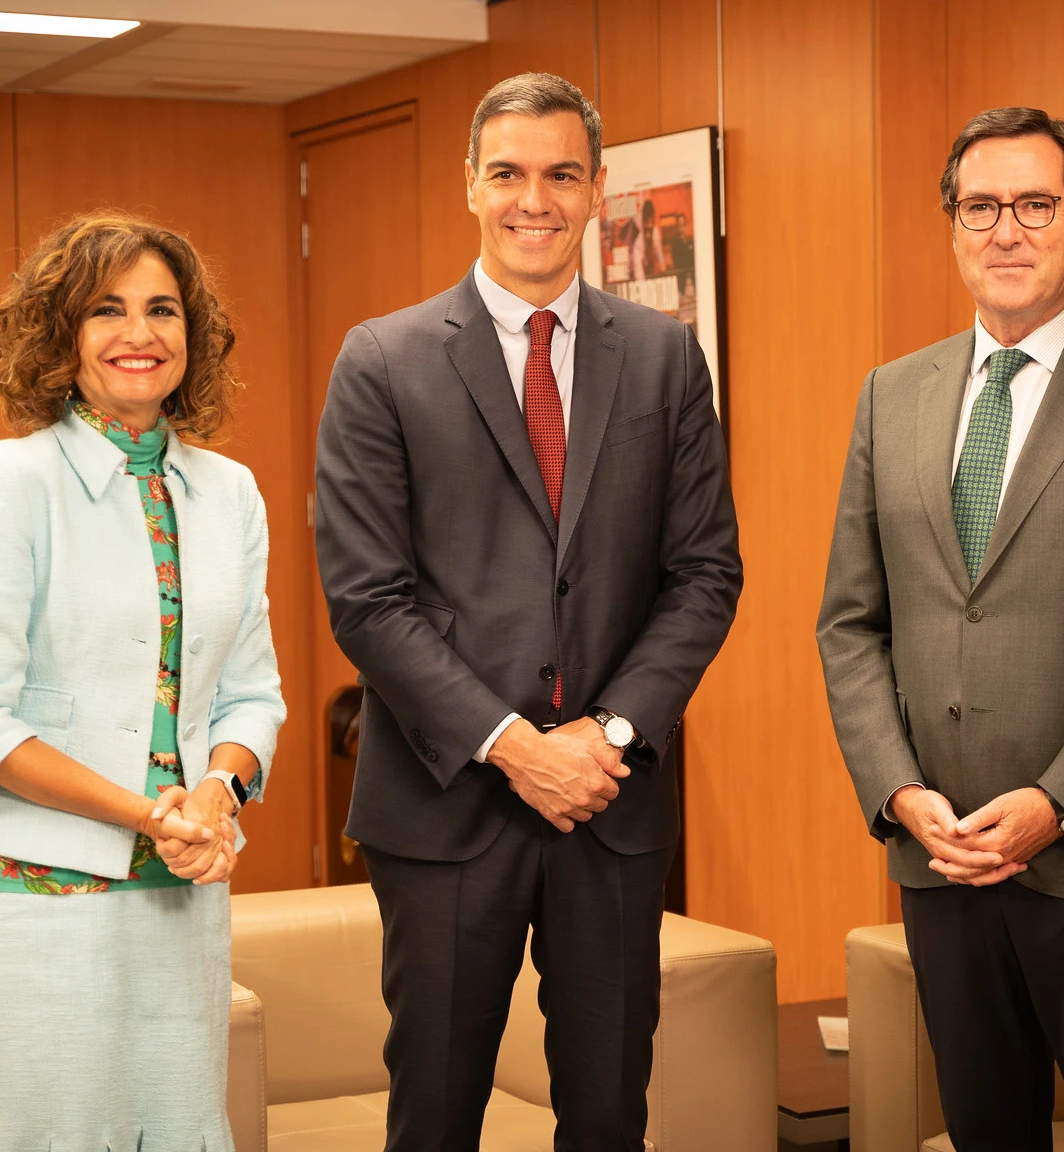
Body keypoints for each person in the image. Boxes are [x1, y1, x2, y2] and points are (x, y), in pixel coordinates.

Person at [312, 72, 741, 1149]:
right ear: (468, 185)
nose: (532, 199)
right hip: (444, 810)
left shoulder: (661, 357)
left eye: (560, 174)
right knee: (437, 1114)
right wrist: (512, 746)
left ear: (596, 191)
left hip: (609, 803)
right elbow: (367, 599)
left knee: (607, 1114)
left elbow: (704, 573)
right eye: (506, 172)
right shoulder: (383, 360)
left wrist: (605, 735)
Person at [817, 107, 1064, 1151]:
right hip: (938, 866)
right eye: (979, 207)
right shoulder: (888, 396)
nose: (1006, 231)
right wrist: (900, 794)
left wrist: (1056, 801)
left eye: (1034, 204)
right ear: (950, 227)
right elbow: (849, 624)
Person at [0, 212, 285, 1150]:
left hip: (179, 897)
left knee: (177, 1132)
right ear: (60, 337)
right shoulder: (10, 482)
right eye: (106, 310)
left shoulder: (230, 493)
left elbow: (252, 695)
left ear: (192, 336)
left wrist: (215, 791)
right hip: (37, 907)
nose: (140, 334)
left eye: (163, 309)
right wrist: (147, 815)